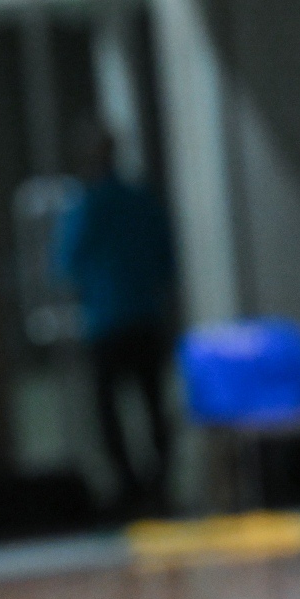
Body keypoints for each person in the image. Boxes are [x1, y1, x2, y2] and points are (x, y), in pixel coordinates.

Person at [56, 121, 177, 512]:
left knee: (108, 410)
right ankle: (157, 481)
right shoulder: (140, 201)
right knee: (153, 403)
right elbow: (166, 261)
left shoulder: (86, 206)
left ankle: (129, 484)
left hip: (106, 321)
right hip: (143, 315)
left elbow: (66, 263)